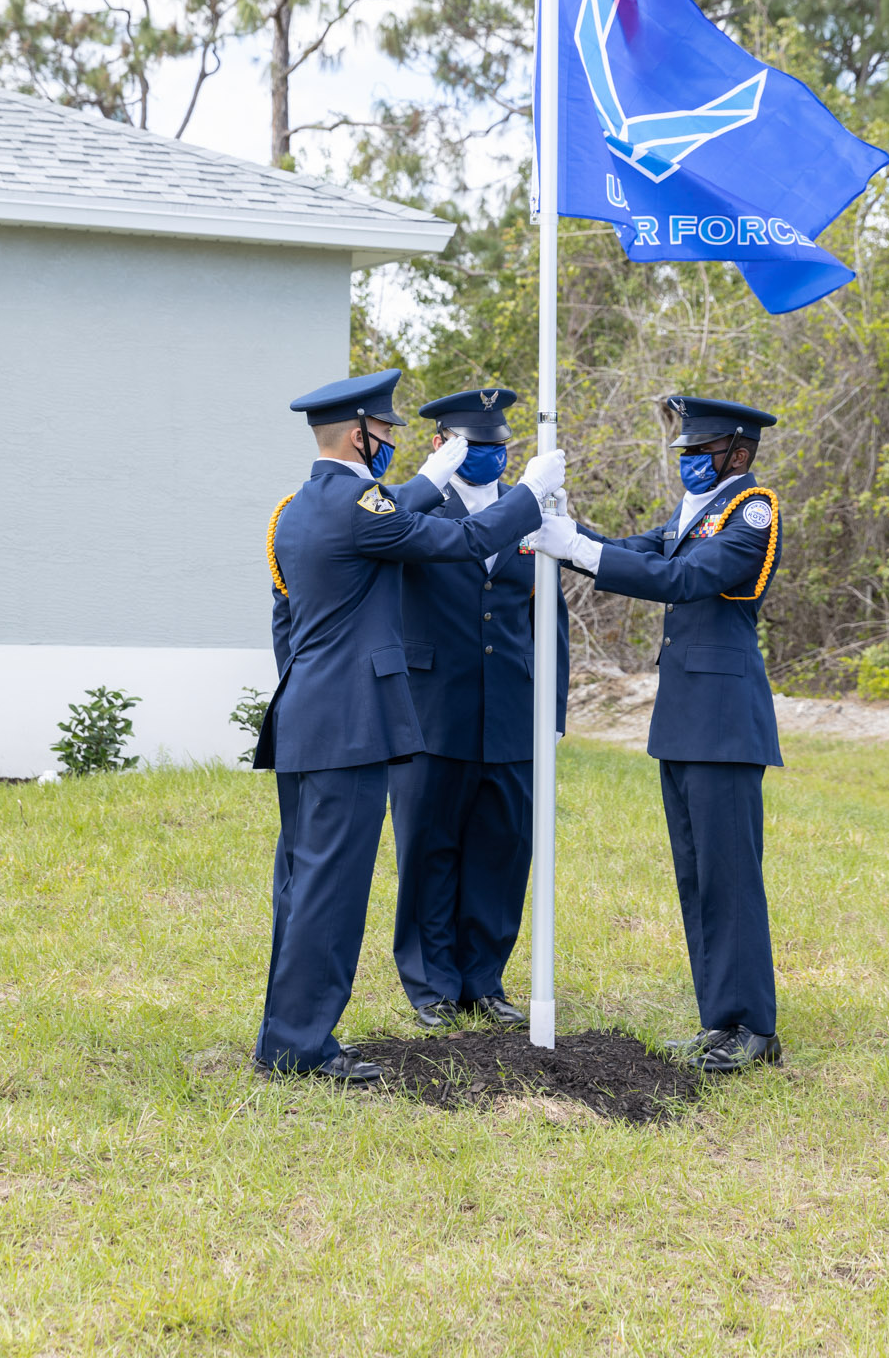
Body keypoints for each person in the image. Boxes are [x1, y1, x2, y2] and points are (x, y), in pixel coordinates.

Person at [253, 368, 565, 1085]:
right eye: (385, 432)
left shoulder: (304, 504)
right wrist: (529, 490)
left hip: (310, 718)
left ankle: (285, 1037)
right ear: (360, 434)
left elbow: (392, 508)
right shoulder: (360, 503)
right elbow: (464, 538)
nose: (390, 443)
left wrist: (429, 473)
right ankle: (302, 1046)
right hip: (351, 723)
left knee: (301, 887)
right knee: (329, 892)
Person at [527, 395, 783, 1075]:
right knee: (697, 877)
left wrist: (576, 547)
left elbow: (683, 578)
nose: (689, 465)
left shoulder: (750, 512)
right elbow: (633, 552)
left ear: (737, 452)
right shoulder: (690, 515)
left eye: (700, 454)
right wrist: (563, 530)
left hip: (724, 722)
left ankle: (753, 1027)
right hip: (686, 717)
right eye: (685, 455)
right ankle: (718, 1021)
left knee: (730, 878)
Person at [389, 387, 569, 1030]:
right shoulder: (419, 508)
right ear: (443, 444)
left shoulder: (533, 514)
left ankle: (483, 980)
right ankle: (431, 983)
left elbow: (550, 617)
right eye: (475, 446)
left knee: (501, 847)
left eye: (498, 448)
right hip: (432, 708)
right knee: (430, 847)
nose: (489, 457)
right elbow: (455, 545)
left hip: (510, 711)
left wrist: (552, 714)